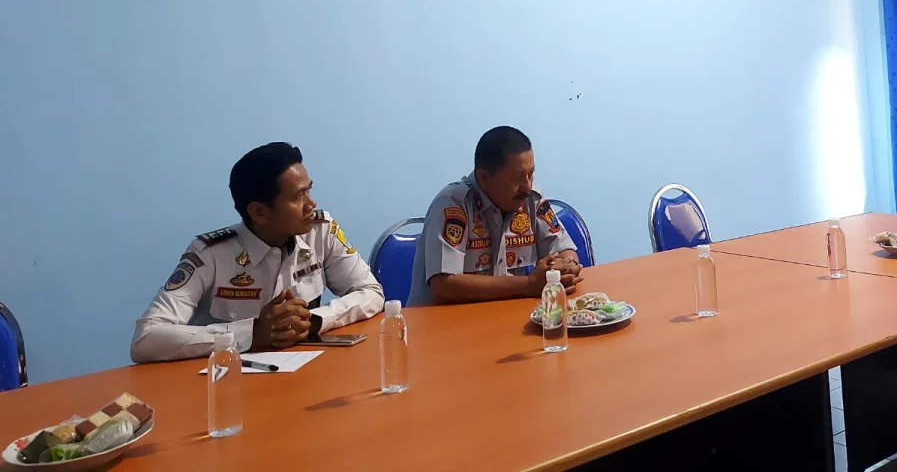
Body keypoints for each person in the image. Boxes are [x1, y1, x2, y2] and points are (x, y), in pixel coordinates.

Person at [131, 142, 383, 363]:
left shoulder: (321, 232)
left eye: (309, 190)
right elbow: (146, 339)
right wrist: (251, 333)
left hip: (303, 373)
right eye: (298, 196)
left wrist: (314, 319)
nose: (311, 204)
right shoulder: (210, 254)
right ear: (259, 212)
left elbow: (371, 292)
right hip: (227, 382)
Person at [409, 126, 582, 306]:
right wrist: (529, 284)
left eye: (531, 174)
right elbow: (444, 286)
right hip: (446, 320)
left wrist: (565, 267)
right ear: (484, 178)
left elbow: (564, 249)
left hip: (506, 315)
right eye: (518, 177)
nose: (527, 187)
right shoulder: (453, 204)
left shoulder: (531, 199)